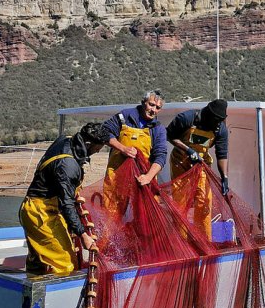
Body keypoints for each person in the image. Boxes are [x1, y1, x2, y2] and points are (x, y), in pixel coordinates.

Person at [19, 122, 108, 277]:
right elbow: (66, 204)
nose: (96, 152)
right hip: (40, 214)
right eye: (96, 149)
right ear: (87, 143)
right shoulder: (67, 166)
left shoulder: (67, 139)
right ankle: (58, 297)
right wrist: (83, 235)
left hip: (38, 207)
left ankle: (31, 289)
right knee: (65, 262)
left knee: (39, 259)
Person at [101, 89, 169, 220]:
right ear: (143, 102)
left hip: (142, 178)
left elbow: (161, 156)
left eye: (158, 108)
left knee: (146, 218)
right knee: (111, 216)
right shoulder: (125, 117)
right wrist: (122, 148)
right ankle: (109, 240)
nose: (153, 110)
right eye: (151, 105)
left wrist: (148, 177)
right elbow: (104, 132)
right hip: (117, 175)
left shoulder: (158, 129)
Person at [167, 99, 230, 238]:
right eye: (217, 120)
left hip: (201, 165)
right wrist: (188, 150)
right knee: (180, 204)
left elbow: (222, 154)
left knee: (204, 203)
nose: (218, 123)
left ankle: (204, 241)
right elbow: (170, 135)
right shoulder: (187, 118)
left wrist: (224, 178)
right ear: (209, 114)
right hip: (181, 163)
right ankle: (181, 241)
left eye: (221, 120)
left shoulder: (221, 129)